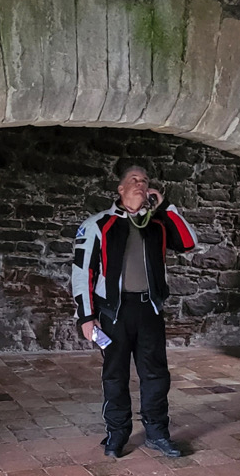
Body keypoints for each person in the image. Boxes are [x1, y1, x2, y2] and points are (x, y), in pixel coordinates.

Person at [71, 165, 198, 458]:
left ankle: (157, 433)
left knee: (155, 375)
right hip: (113, 313)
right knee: (115, 376)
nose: (141, 184)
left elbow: (189, 243)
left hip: (148, 310)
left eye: (145, 180)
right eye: (134, 179)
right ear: (121, 189)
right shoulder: (98, 224)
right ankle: (117, 433)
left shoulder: (157, 224)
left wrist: (165, 206)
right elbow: (82, 272)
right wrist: (86, 316)